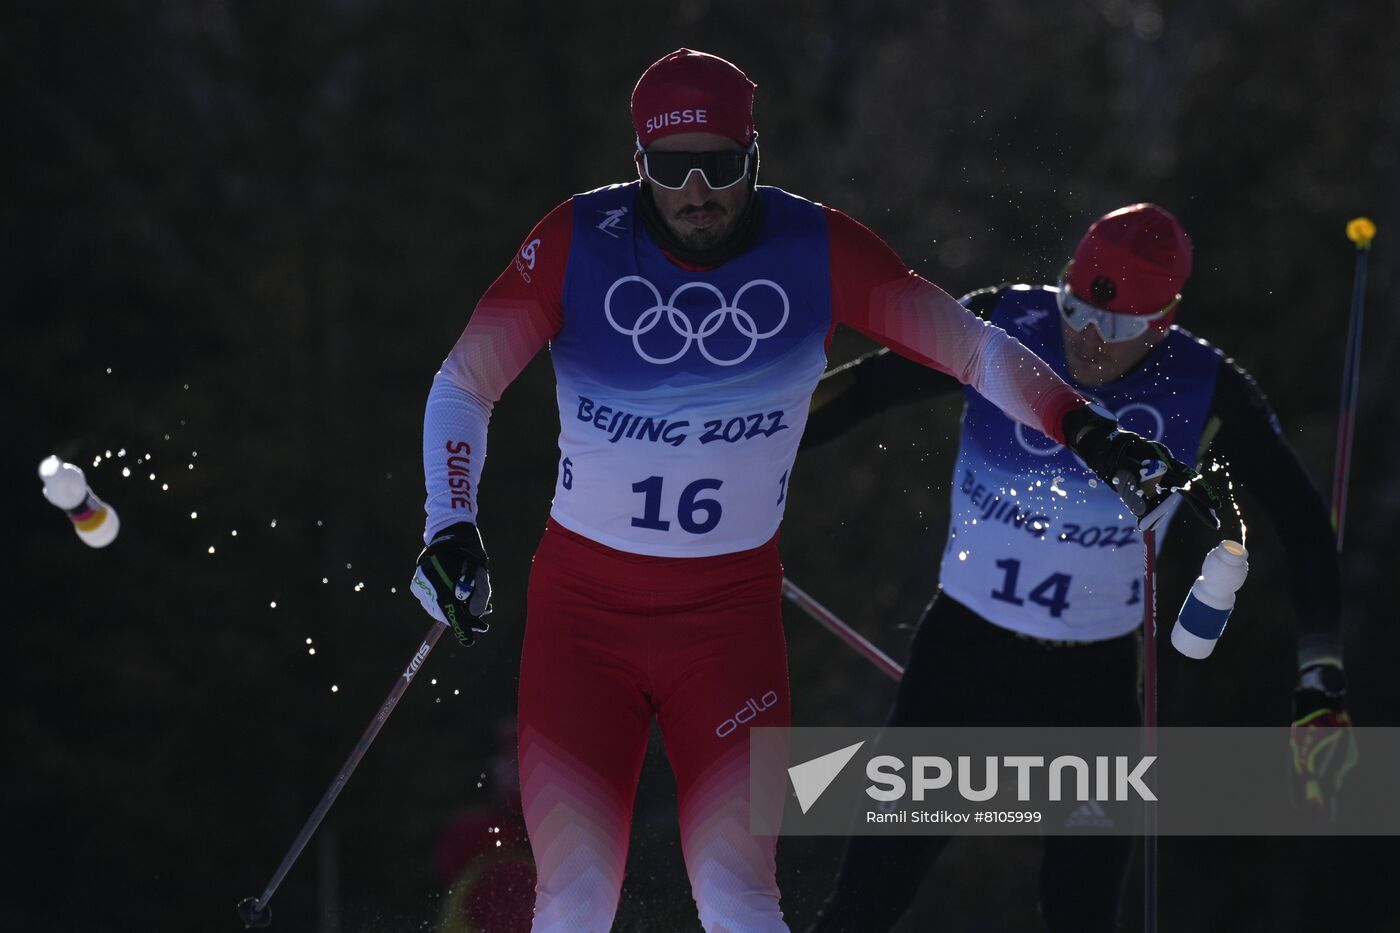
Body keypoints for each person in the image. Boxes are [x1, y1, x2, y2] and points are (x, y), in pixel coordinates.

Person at [408, 50, 1214, 933]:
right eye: (672, 168)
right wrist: (450, 524)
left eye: (720, 165)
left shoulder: (818, 247)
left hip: (726, 626)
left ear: (754, 155)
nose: (697, 191)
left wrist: (1085, 428)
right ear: (639, 162)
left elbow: (975, 351)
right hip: (581, 621)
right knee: (574, 899)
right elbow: (463, 384)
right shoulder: (574, 241)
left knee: (738, 895)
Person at [801, 203, 1356, 933]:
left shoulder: (1204, 386)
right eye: (1079, 308)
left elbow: (1303, 524)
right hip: (962, 658)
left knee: (1080, 912)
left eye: (1121, 326)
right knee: (864, 904)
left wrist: (1320, 677)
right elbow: (867, 389)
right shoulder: (1004, 326)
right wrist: (731, 449)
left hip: (1088, 684)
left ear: (1164, 320)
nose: (1090, 338)